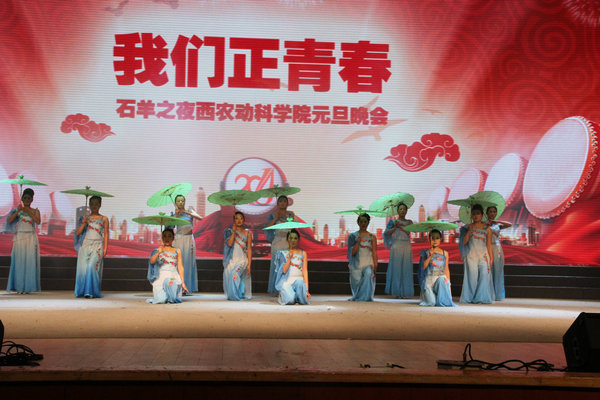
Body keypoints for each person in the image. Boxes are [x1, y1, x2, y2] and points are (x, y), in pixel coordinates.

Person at [5, 188, 41, 294]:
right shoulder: (18, 210)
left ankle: (28, 287)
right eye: (25, 198)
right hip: (20, 237)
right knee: (19, 262)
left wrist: (28, 211)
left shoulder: (35, 211)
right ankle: (19, 286)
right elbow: (10, 221)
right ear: (22, 198)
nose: (27, 200)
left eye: (29, 198)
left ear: (32, 199)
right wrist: (17, 211)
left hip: (30, 237)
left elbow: (38, 221)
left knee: (29, 262)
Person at [74, 195, 109, 298]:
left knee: (91, 267)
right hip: (85, 245)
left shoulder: (104, 219)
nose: (94, 206)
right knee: (83, 269)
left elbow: (106, 234)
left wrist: (105, 248)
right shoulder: (84, 218)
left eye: (96, 204)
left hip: (98, 246)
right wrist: (83, 223)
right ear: (89, 205)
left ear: (100, 205)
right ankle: (83, 291)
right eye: (92, 204)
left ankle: (91, 291)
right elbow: (78, 233)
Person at [459, 204, 494, 304]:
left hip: (484, 256)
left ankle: (480, 298)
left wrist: (491, 258)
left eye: (478, 213)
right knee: (472, 278)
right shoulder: (467, 228)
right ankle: (470, 297)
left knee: (484, 276)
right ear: (471, 215)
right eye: (473, 214)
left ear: (482, 215)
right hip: (471, 256)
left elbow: (489, 245)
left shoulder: (488, 229)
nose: (476, 216)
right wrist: (469, 230)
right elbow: (464, 242)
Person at [147, 228, 187, 304]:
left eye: (169, 236)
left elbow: (180, 267)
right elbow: (152, 261)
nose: (167, 238)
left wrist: (183, 282)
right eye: (164, 236)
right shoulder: (158, 250)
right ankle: (165, 296)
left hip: (173, 278)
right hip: (160, 278)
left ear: (173, 238)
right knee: (161, 300)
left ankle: (172, 295)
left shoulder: (177, 251)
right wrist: (158, 253)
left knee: (169, 282)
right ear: (162, 238)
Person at [171, 194, 202, 294]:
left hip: (189, 239)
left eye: (182, 200)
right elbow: (170, 227)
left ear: (185, 202)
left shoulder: (189, 212)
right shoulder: (174, 214)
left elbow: (200, 218)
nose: (180, 202)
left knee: (188, 263)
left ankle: (187, 288)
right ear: (175, 203)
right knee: (178, 263)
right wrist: (175, 216)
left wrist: (187, 212)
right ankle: (177, 288)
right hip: (179, 239)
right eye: (178, 201)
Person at [265, 195, 295, 293]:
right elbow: (267, 227)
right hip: (277, 243)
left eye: (284, 201)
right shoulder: (273, 215)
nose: (282, 203)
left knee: (287, 265)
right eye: (280, 201)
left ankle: (285, 288)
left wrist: (290, 218)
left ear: (287, 203)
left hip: (288, 243)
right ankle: (275, 289)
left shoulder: (290, 215)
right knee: (276, 266)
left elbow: (294, 228)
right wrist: (276, 218)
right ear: (277, 204)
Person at [418, 229, 456, 307]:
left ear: (440, 239)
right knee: (431, 302)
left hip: (440, 280)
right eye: (433, 238)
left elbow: (446, 269)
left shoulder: (445, 253)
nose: (435, 240)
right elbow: (423, 267)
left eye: (437, 238)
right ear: (429, 239)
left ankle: (441, 296)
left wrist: (449, 284)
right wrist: (430, 256)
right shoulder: (425, 252)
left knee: (442, 279)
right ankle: (433, 296)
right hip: (429, 281)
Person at [383, 203, 414, 298]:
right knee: (396, 269)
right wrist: (395, 227)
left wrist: (401, 225)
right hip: (396, 245)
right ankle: (396, 292)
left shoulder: (409, 222)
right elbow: (386, 233)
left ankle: (405, 292)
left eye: (404, 209)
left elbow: (411, 231)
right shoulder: (393, 221)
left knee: (406, 269)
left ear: (406, 211)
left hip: (406, 245)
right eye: (400, 209)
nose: (402, 211)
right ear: (397, 211)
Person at [273, 229, 310, 305]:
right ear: (287, 239)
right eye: (291, 238)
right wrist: (289, 257)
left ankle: (297, 294)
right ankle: (287, 295)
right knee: (290, 300)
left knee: (303, 300)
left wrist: (307, 290)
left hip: (298, 280)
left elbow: (305, 271)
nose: (293, 240)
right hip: (287, 281)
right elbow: (284, 270)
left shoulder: (303, 253)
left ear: (298, 240)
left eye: (295, 238)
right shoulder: (282, 253)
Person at [347, 213, 378, 301]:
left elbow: (374, 252)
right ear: (358, 223)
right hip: (357, 263)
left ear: (368, 223)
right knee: (357, 281)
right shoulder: (353, 236)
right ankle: (358, 297)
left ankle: (366, 297)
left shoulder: (372, 237)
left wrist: (375, 264)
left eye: (365, 222)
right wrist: (358, 242)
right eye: (361, 222)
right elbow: (352, 253)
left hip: (368, 263)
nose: (363, 224)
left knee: (368, 274)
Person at [223, 211, 252, 301]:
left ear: (244, 220)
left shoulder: (248, 233)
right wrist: (234, 232)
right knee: (231, 276)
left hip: (242, 260)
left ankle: (233, 296)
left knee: (234, 274)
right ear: (234, 220)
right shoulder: (229, 231)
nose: (239, 220)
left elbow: (249, 249)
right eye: (236, 218)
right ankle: (236, 294)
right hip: (232, 259)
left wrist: (249, 264)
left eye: (241, 218)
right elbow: (229, 244)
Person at [486, 206, 512, 300]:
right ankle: (488, 293)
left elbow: (509, 224)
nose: (492, 213)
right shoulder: (484, 224)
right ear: (487, 213)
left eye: (494, 212)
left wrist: (496, 221)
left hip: (497, 248)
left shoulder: (498, 225)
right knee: (488, 270)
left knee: (498, 270)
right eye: (490, 211)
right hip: (487, 248)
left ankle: (497, 294)